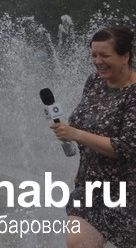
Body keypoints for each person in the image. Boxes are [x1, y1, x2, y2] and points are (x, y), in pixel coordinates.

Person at [50, 26, 136, 248]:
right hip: (92, 189)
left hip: (129, 194)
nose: (98, 61)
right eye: (94, 55)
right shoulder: (95, 82)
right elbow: (86, 127)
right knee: (77, 243)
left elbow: (125, 147)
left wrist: (76, 134)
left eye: (105, 55)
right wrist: (82, 168)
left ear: (125, 56)